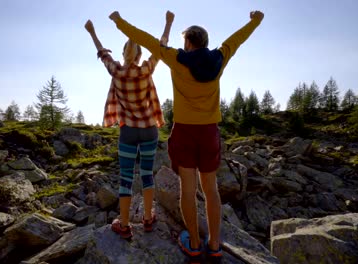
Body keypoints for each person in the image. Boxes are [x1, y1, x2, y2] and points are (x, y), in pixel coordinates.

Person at [109, 9, 264, 261]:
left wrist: (118, 22)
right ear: (205, 42)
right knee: (211, 191)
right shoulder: (220, 57)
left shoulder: (176, 58)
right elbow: (237, 39)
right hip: (209, 132)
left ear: (188, 42)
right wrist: (255, 21)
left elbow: (145, 38)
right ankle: (214, 245)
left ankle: (193, 242)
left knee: (188, 191)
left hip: (184, 132)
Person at [84, 11, 174, 240]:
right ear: (140, 53)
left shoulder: (116, 70)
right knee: (146, 175)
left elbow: (101, 52)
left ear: (123, 53)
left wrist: (92, 32)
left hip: (128, 132)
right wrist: (168, 23)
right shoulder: (146, 69)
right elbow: (161, 48)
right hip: (149, 130)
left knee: (125, 176)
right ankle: (147, 218)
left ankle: (124, 225)